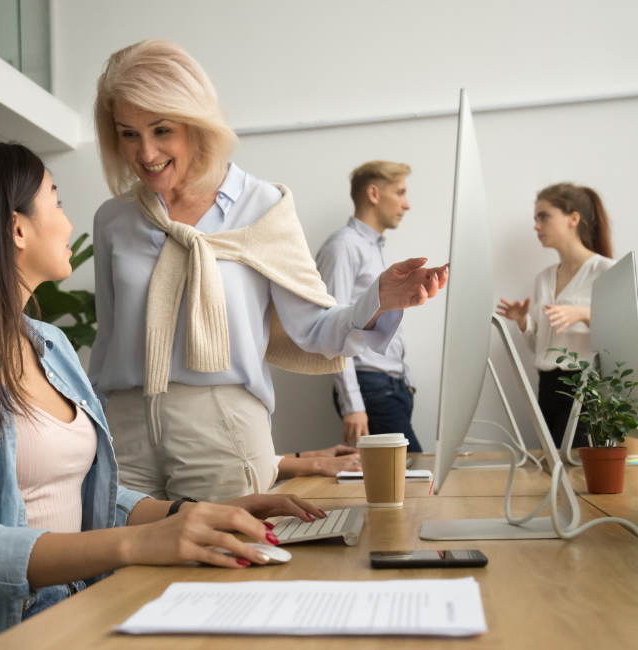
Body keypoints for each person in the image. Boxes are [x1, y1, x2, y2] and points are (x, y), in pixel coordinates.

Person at [0, 142, 326, 650]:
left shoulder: (48, 343)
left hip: (77, 610)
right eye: (55, 201)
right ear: (17, 228)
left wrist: (192, 514)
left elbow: (84, 495)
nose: (69, 223)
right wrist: (141, 543)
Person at [88, 40, 448, 503]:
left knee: (222, 574)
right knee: (124, 572)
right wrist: (92, 428)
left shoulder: (262, 207)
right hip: (125, 429)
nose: (146, 152)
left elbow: (315, 327)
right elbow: (107, 341)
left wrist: (377, 299)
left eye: (162, 130)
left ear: (197, 124)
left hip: (222, 423)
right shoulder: (113, 219)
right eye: (128, 134)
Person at [495, 182, 615, 450]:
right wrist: (524, 321)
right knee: (548, 469)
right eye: (535, 218)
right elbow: (540, 348)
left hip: (585, 389)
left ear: (573, 218)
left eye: (544, 216)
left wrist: (585, 314)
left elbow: (623, 338)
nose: (536, 226)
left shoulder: (607, 272)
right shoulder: (544, 279)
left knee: (573, 472)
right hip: (547, 388)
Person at [315, 160, 422, 451]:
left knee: (400, 483)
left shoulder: (372, 248)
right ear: (374, 194)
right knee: (412, 480)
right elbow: (330, 326)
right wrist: (353, 404)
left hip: (393, 387)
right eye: (400, 192)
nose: (407, 204)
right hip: (372, 389)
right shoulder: (344, 246)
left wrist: (406, 381)